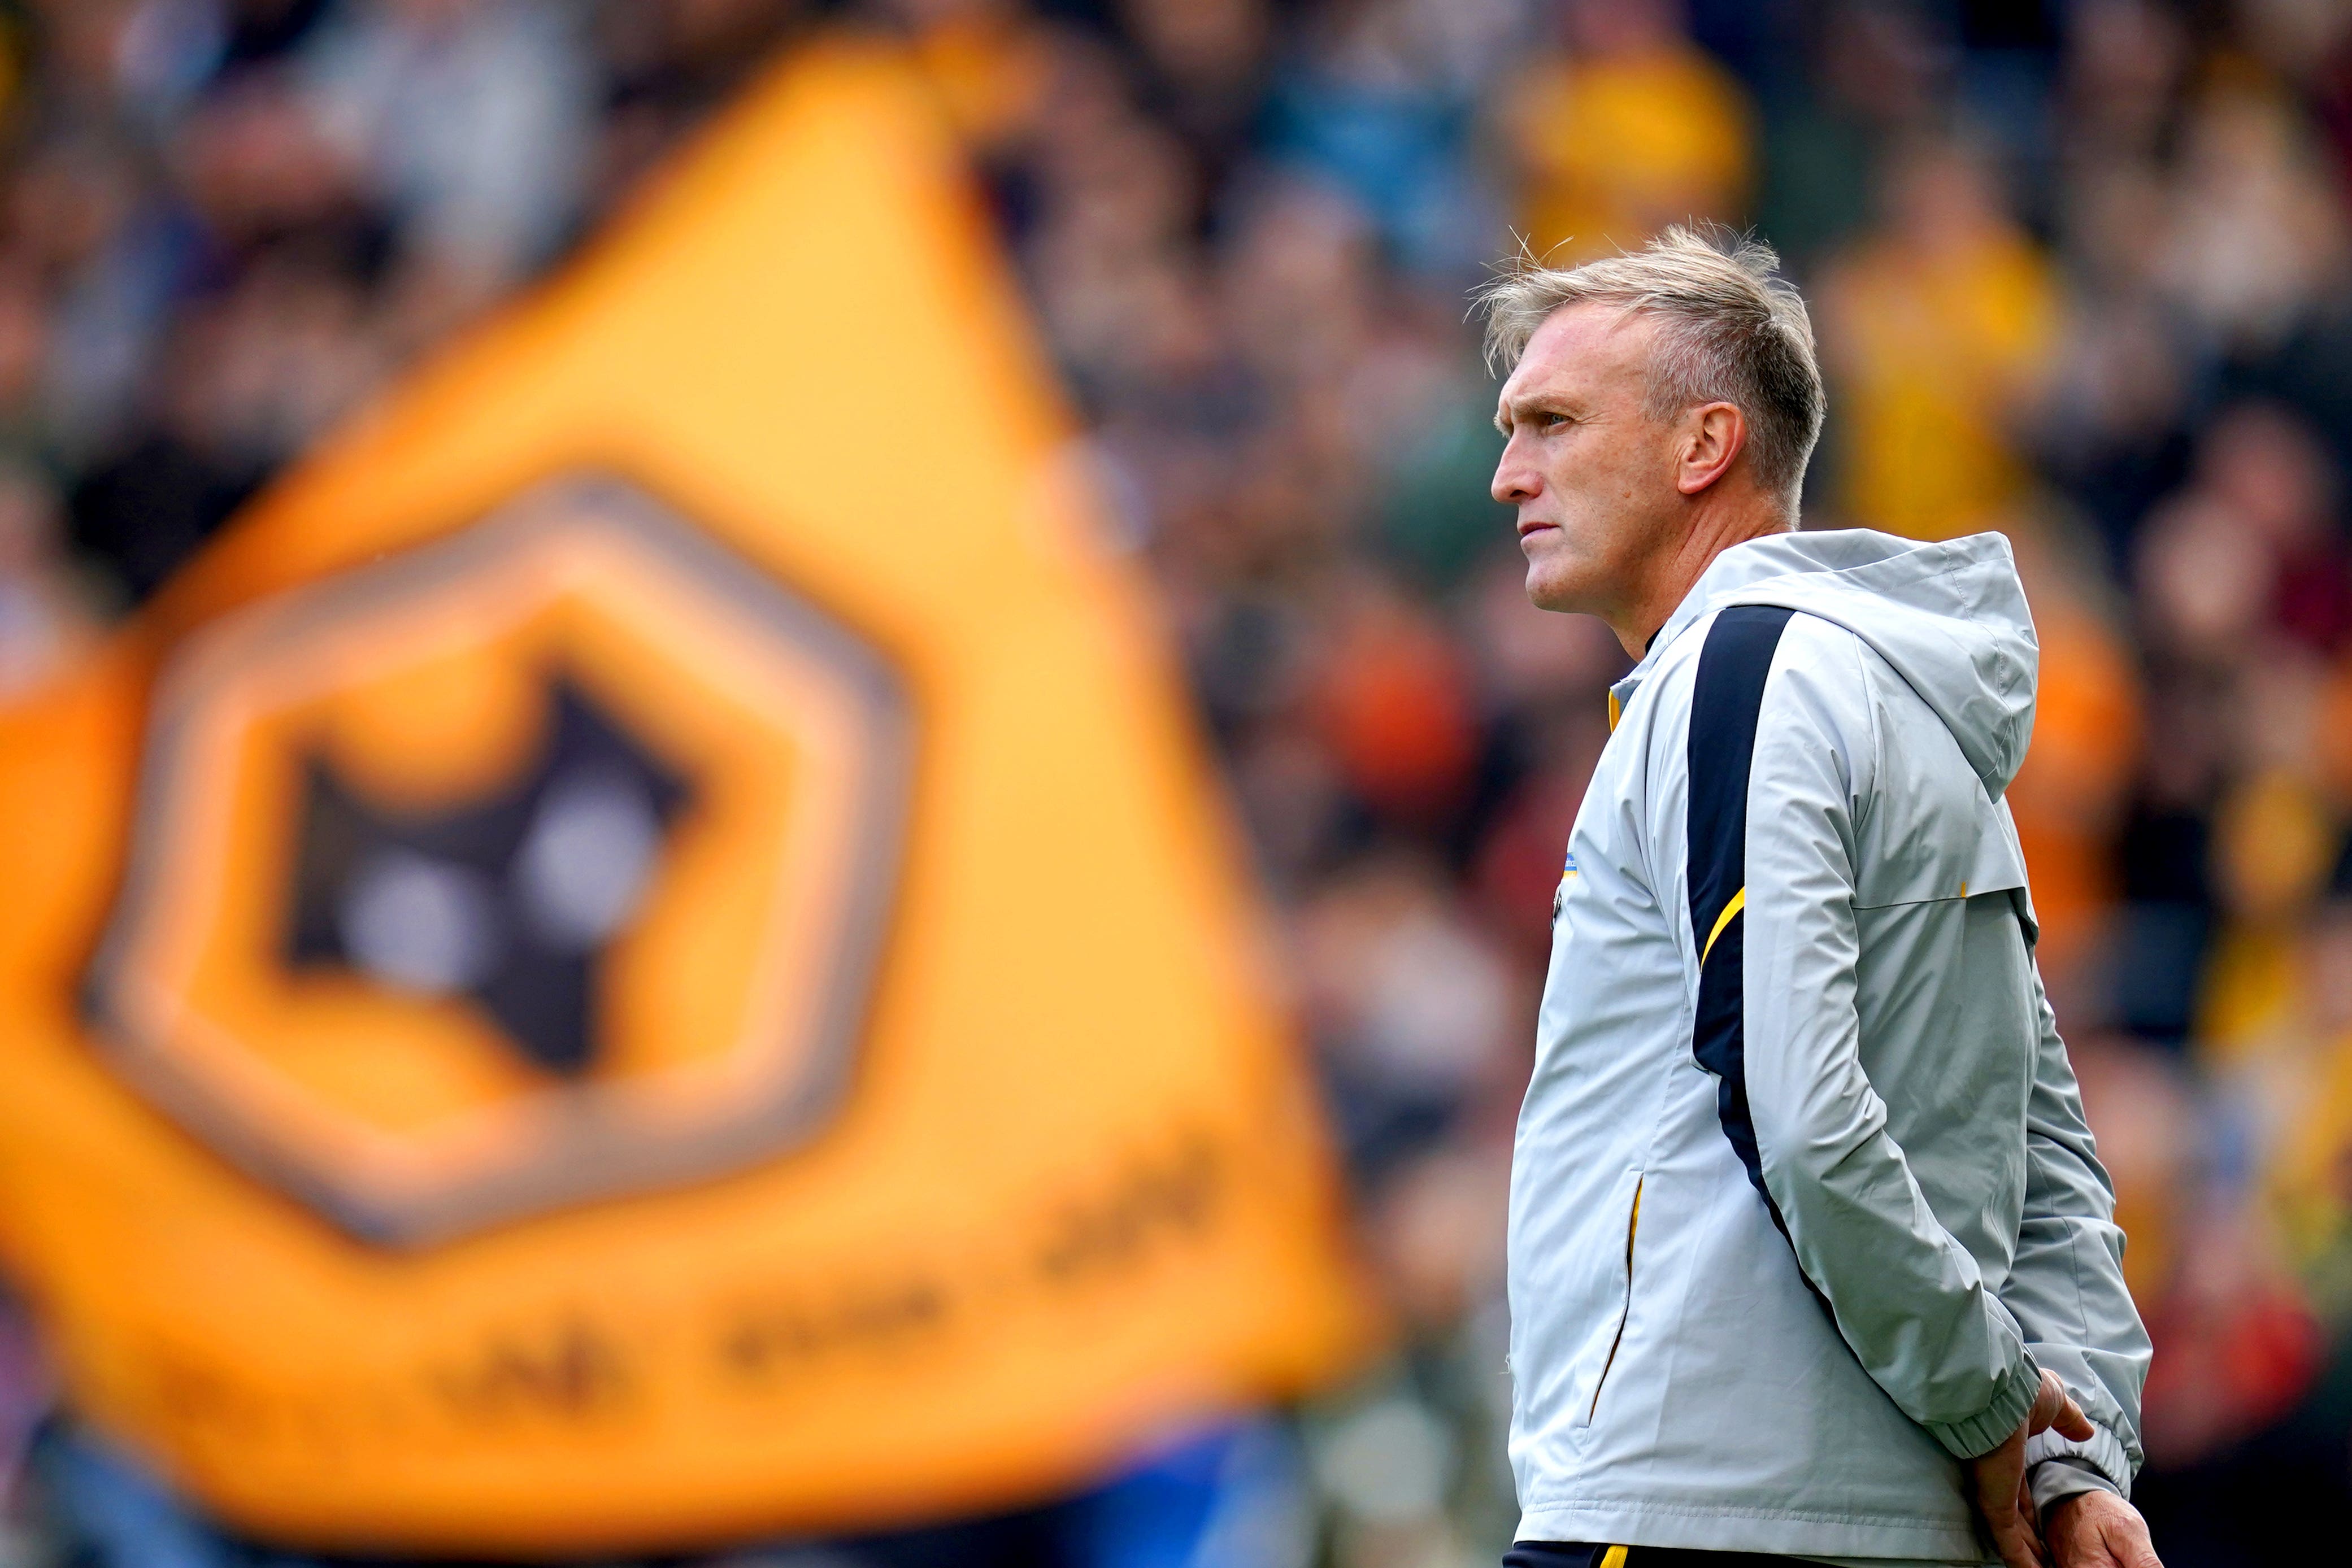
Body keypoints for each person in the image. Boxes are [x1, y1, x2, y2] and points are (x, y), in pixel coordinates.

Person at [1480, 227, 2160, 1568]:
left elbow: (1793, 1106)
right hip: (1891, 1521)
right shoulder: (1913, 713)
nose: (1510, 473)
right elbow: (2055, 1164)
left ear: (1703, 446)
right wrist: (2070, 1463)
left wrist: (1990, 1407)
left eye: (1552, 422)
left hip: (1691, 1508)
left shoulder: (1738, 671)